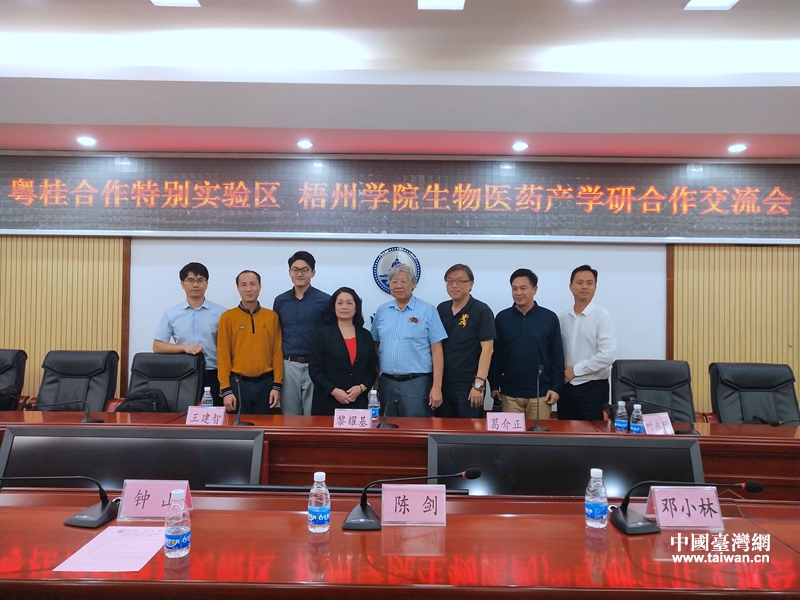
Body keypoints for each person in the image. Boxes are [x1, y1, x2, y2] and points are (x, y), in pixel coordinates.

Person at [371, 263, 447, 418]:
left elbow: (437, 350)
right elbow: (375, 347)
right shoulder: (382, 311)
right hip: (387, 382)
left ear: (413, 284)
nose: (398, 286)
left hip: (416, 384)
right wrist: (376, 381)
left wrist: (436, 387)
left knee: (417, 428)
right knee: (388, 426)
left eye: (403, 281)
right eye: (394, 282)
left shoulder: (428, 310)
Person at [489, 268, 564, 420]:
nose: (518, 293)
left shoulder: (549, 318)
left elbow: (557, 355)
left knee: (538, 435)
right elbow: (496, 355)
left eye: (523, 288)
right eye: (514, 288)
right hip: (510, 394)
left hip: (541, 394)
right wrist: (494, 385)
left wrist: (556, 387)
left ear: (535, 289)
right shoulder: (502, 318)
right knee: (512, 435)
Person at [153, 262, 226, 405]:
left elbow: (229, 348)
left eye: (200, 280)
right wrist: (184, 348)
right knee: (183, 414)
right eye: (190, 280)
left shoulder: (221, 313)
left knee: (213, 415)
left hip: (214, 374)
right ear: (182, 284)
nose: (195, 285)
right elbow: (157, 346)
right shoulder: (172, 313)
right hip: (184, 374)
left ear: (207, 283)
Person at [272, 251, 330, 416]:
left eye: (304, 270)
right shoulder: (280, 301)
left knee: (314, 416)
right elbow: (277, 334)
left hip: (315, 365)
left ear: (313, 272)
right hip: (288, 365)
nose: (299, 274)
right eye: (295, 270)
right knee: (290, 417)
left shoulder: (325, 300)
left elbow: (329, 335)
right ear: (289, 272)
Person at [218, 270, 283, 415]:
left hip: (266, 383)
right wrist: (226, 389)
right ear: (238, 288)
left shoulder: (271, 317)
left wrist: (277, 385)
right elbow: (223, 355)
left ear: (260, 286)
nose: (248, 289)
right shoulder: (227, 317)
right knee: (238, 426)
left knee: (265, 426)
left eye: (253, 284)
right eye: (244, 285)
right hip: (238, 384)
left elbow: (277, 352)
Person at [558, 265, 617, 421]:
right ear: (571, 286)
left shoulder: (602, 317)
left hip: (593, 388)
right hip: (566, 388)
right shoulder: (562, 318)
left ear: (595, 287)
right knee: (565, 431)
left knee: (593, 432)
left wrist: (576, 370)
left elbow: (607, 356)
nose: (584, 287)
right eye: (580, 282)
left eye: (589, 283)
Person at [436, 264, 495, 418]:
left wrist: (478, 384)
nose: (454, 285)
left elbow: (488, 349)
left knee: (470, 430)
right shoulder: (441, 309)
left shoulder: (481, 310)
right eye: (450, 281)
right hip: (444, 385)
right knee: (443, 429)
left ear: (471, 284)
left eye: (460, 281)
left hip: (469, 386)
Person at [309, 287, 378, 416]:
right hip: (328, 402)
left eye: (349, 303)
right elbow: (315, 370)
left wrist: (361, 388)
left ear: (356, 307)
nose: (344, 307)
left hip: (358, 401)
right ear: (333, 307)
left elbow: (371, 369)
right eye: (340, 303)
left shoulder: (365, 335)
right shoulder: (322, 334)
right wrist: (334, 391)